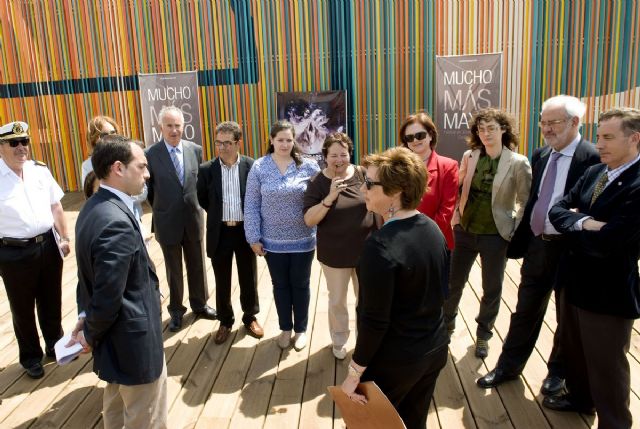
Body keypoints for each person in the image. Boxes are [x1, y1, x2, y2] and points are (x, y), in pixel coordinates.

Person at [477, 96, 600, 395]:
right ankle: (508, 366)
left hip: (570, 251)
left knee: (565, 316)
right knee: (524, 310)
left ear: (574, 122)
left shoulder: (593, 158)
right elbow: (532, 199)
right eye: (543, 122)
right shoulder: (541, 154)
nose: (545, 128)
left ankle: (557, 373)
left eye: (552, 122)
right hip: (537, 246)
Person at [340, 147, 449, 429]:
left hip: (397, 362)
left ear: (396, 191)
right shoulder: (431, 228)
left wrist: (354, 374)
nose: (363, 188)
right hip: (434, 350)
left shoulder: (380, 247)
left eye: (370, 183)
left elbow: (374, 321)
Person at [546, 107, 640, 427]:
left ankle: (614, 422)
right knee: (575, 352)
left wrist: (574, 226)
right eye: (598, 137)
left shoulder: (638, 185)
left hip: (607, 293)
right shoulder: (595, 172)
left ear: (634, 139)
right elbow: (556, 209)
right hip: (572, 281)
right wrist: (586, 223)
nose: (599, 144)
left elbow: (611, 242)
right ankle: (581, 399)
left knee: (607, 366)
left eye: (608, 137)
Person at [71, 135, 167, 428]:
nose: (148, 174)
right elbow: (108, 293)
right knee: (146, 418)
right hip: (133, 344)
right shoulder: (115, 220)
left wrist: (86, 317)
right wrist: (88, 333)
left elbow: (90, 277)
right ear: (118, 168)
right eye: (142, 166)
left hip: (114, 345)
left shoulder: (92, 207)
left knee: (114, 410)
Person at [443, 108, 531, 358]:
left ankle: (483, 334)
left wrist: (514, 229)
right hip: (464, 230)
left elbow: (525, 201)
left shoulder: (517, 162)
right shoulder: (470, 156)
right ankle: (446, 326)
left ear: (504, 129)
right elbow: (458, 187)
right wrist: (455, 218)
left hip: (495, 234)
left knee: (491, 287)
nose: (486, 133)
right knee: (452, 282)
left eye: (491, 128)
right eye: (481, 129)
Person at [0, 121, 70, 379]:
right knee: (22, 307)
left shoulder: (39, 171)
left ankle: (55, 344)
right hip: (13, 252)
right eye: (14, 143)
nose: (21, 148)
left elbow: (56, 207)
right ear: (1, 147)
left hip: (49, 245)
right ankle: (30, 356)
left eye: (25, 142)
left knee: (51, 298)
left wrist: (65, 237)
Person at [244, 121, 320, 351]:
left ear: (294, 140)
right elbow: (251, 204)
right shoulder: (259, 167)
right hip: (272, 242)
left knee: (301, 284)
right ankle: (286, 328)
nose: (285, 144)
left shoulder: (308, 166)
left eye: (289, 139)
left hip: (303, 240)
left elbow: (322, 193)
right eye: (280, 140)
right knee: (280, 285)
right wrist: (253, 237)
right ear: (271, 140)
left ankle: (301, 330)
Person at [303, 133, 376, 359]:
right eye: (333, 155)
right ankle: (339, 339)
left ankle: (365, 341)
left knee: (367, 300)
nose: (339, 159)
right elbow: (309, 219)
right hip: (335, 254)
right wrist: (330, 197)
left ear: (349, 154)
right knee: (337, 301)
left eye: (343, 154)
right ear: (324, 156)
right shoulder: (317, 182)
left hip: (367, 252)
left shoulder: (364, 174)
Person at [146, 106, 216, 332]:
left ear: (183, 127)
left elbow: (199, 185)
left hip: (193, 220)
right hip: (167, 222)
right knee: (173, 270)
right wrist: (163, 208)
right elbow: (148, 190)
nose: (174, 130)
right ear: (161, 128)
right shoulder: (150, 154)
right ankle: (176, 310)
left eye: (177, 125)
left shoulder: (195, 150)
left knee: (197, 265)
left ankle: (200, 304)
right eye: (169, 125)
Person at [197, 121, 263, 344]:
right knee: (222, 279)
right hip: (220, 232)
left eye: (227, 142)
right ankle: (225, 320)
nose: (222, 147)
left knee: (248, 276)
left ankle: (249, 316)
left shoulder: (251, 166)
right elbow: (204, 200)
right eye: (218, 143)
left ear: (238, 143)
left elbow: (256, 198)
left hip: (245, 231)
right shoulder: (206, 170)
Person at [398, 111, 459, 251]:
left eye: (420, 135)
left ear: (431, 135)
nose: (415, 140)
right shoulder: (398, 167)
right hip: (402, 241)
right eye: (409, 137)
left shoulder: (448, 166)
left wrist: (419, 237)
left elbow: (446, 211)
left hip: (434, 243)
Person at [81, 115, 119, 184]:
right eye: (104, 135)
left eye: (113, 133)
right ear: (94, 140)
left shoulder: (128, 157)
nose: (110, 137)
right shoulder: (88, 165)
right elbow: (90, 193)